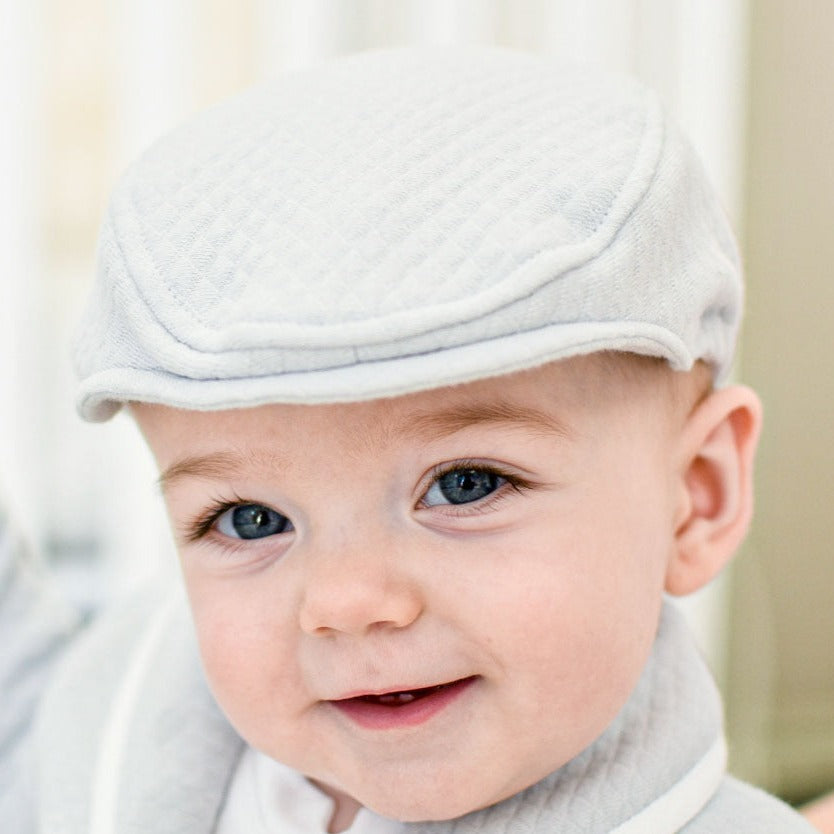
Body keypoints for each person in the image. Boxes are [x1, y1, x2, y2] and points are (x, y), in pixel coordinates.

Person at [0, 46, 820, 832]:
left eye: (465, 483)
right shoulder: (119, 730)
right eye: (250, 519)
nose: (346, 603)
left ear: (696, 497)